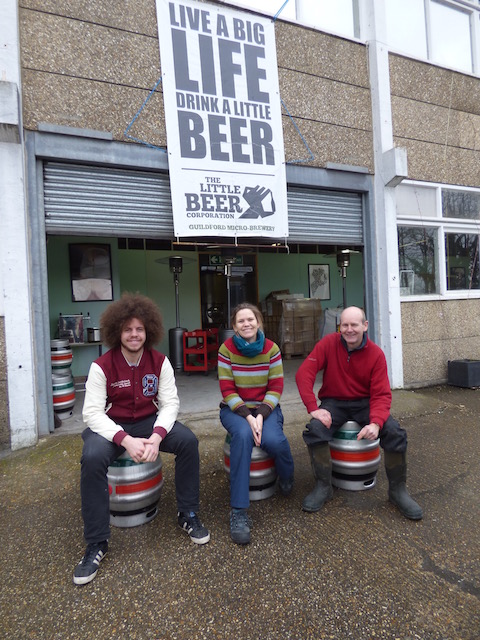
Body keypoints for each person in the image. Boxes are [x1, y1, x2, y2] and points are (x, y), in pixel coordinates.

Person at [73, 293, 210, 586]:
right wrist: (124, 439)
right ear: (116, 332)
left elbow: (170, 403)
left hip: (149, 419)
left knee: (188, 441)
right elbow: (92, 414)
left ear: (148, 331)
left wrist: (157, 436)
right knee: (93, 457)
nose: (134, 335)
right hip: (113, 423)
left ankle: (188, 513)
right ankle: (97, 543)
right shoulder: (101, 366)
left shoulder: (160, 362)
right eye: (127, 329)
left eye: (139, 329)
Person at [295, 306, 423, 521]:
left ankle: (397, 491)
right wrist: (313, 408)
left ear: (365, 326)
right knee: (315, 429)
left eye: (354, 324)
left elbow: (382, 394)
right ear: (340, 327)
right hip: (334, 402)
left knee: (394, 432)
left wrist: (376, 422)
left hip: (365, 402)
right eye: (344, 325)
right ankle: (324, 487)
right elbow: (303, 374)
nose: (349, 329)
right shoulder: (328, 344)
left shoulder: (375, 354)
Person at [218, 302, 295, 544]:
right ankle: (239, 511)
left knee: (274, 440)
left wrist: (260, 414)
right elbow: (227, 389)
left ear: (258, 322)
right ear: (234, 326)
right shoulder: (226, 350)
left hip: (266, 409)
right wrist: (249, 417)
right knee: (243, 437)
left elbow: (276, 387)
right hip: (235, 410)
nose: (246, 324)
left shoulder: (272, 349)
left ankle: (287, 476)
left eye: (250, 319)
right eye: (241, 321)